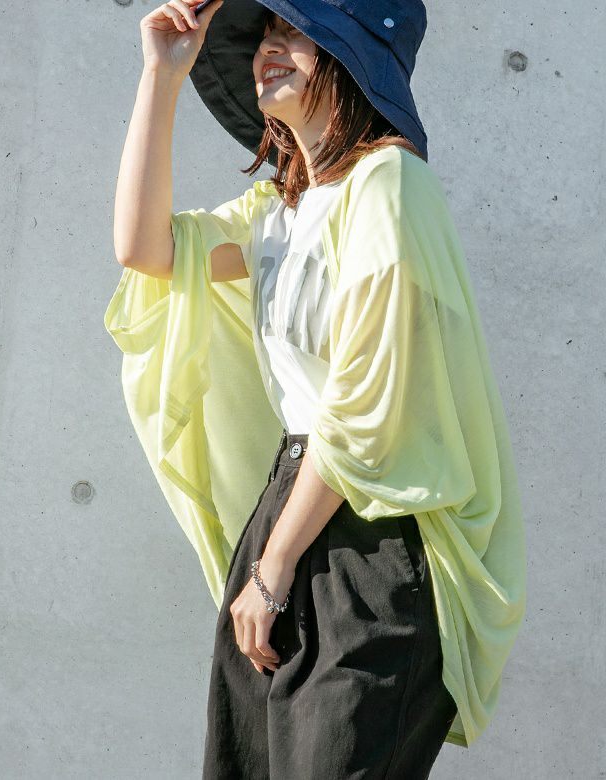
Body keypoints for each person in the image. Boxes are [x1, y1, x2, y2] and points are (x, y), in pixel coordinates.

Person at [104, 1, 527, 777]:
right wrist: (160, 76)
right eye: (267, 30)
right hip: (290, 511)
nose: (272, 45)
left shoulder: (389, 185)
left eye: (297, 31)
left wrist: (274, 568)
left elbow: (367, 406)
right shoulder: (278, 211)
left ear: (352, 58)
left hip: (377, 532)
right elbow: (144, 249)